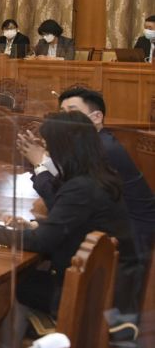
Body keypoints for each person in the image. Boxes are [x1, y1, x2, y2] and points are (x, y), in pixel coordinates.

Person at [0, 111, 142, 316]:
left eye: (49, 148)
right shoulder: (100, 174)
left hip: (90, 298)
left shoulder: (81, 187)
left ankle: (40, 335)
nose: (48, 155)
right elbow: (75, 224)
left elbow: (43, 241)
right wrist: (34, 225)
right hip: (109, 287)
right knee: (26, 276)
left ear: (63, 149)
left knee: (8, 287)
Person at [20, 87, 155, 260]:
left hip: (129, 241)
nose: (66, 119)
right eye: (63, 113)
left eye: (73, 112)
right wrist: (49, 152)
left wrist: (40, 163)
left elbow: (66, 198)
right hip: (105, 228)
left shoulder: (104, 149)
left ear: (96, 117)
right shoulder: (91, 145)